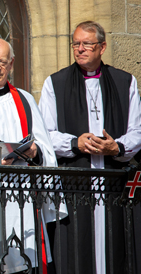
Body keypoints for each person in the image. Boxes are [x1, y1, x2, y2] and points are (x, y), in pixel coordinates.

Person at [38, 21, 141, 274]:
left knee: (115, 248)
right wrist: (75, 143)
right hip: (74, 182)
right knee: (76, 248)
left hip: (114, 184)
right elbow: (44, 134)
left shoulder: (125, 81)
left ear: (102, 47)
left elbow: (137, 131)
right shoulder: (55, 83)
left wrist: (115, 147)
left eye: (86, 44)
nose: (79, 49)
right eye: (76, 43)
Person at [0, 38, 67, 273]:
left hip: (24, 197)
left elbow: (46, 149)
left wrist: (35, 152)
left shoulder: (26, 100)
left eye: (3, 62)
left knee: (26, 261)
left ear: (12, 64)